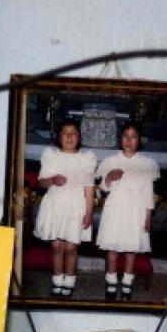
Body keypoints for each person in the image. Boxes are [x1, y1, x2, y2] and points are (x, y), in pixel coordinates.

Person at [95, 122, 159, 301]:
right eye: (125, 136)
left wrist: (148, 216)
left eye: (133, 137)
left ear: (139, 140)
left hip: (135, 210)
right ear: (120, 139)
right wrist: (108, 178)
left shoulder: (147, 164)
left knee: (132, 248)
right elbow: (102, 189)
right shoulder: (110, 161)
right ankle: (111, 281)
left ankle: (127, 283)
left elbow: (148, 192)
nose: (129, 140)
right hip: (115, 209)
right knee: (112, 248)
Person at [33, 118, 97, 297]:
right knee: (56, 245)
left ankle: (69, 279)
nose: (69, 136)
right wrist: (52, 180)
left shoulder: (86, 159)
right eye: (65, 133)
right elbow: (42, 183)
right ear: (59, 137)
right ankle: (57, 278)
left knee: (71, 247)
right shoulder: (51, 156)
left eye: (73, 133)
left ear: (79, 137)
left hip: (76, 206)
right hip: (55, 205)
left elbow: (89, 187)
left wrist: (89, 212)